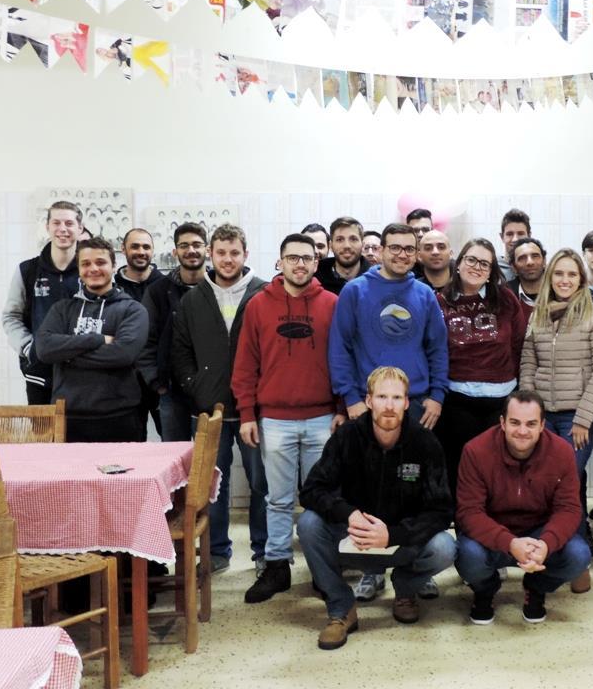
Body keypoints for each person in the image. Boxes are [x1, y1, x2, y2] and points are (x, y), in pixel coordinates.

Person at [328, 222, 449, 602]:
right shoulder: (355, 291)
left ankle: (412, 570)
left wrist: (437, 395)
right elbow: (339, 348)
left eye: (407, 249)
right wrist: (350, 398)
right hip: (369, 404)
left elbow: (438, 349)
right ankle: (371, 569)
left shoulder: (425, 295)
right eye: (393, 248)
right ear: (378, 251)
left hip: (415, 404)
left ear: (416, 252)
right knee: (368, 489)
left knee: (413, 494)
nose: (400, 254)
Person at [298, 367, 455, 649]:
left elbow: (442, 511)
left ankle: (405, 591)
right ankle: (341, 609)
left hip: (400, 545)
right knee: (308, 524)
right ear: (368, 400)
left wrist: (392, 535)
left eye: (397, 397)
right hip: (352, 541)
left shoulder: (425, 442)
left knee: (445, 547)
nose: (390, 405)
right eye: (382, 396)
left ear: (407, 403)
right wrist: (347, 513)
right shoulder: (347, 436)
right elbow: (311, 490)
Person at [233, 233, 344, 604]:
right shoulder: (258, 305)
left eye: (307, 258)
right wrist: (247, 413)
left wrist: (342, 409)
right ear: (279, 262)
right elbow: (245, 364)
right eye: (292, 257)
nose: (300, 264)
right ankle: (277, 566)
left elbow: (344, 360)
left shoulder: (332, 303)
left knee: (321, 499)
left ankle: (321, 568)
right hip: (275, 419)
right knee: (277, 499)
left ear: (316, 263)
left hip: (322, 419)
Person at [171, 224, 268, 575]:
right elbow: (179, 350)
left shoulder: (264, 294)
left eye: (235, 253)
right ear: (211, 254)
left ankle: (263, 551)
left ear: (246, 254)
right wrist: (196, 386)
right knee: (213, 486)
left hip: (254, 411)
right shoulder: (193, 298)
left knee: (262, 484)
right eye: (222, 252)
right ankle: (217, 551)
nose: (228, 260)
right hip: (209, 410)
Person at [455, 390, 590, 624]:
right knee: (467, 555)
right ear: (502, 423)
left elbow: (568, 509)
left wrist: (547, 544)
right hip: (493, 536)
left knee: (579, 555)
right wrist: (510, 543)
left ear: (542, 425)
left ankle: (536, 588)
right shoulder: (475, 451)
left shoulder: (562, 451)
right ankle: (485, 590)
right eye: (515, 422)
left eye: (531, 424)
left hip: (539, 533)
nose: (522, 431)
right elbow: (469, 512)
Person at [520, 249, 593, 564]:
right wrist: (530, 414)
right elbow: (527, 366)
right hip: (542, 416)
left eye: (572, 274)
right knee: (543, 477)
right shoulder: (539, 314)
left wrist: (584, 420)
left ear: (581, 279)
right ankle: (551, 537)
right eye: (559, 273)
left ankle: (576, 535)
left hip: (577, 416)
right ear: (550, 277)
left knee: (569, 475)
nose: (564, 280)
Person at [35, 237, 149, 442]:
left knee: (127, 476)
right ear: (78, 269)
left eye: (101, 262)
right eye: (85, 264)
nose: (93, 269)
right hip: (68, 416)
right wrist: (97, 340)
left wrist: (65, 356)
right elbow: (43, 350)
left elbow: (123, 354)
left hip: (119, 417)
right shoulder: (62, 309)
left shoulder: (133, 310)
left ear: (114, 266)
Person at [435, 239, 523, 496]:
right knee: (459, 466)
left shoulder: (505, 299)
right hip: (457, 399)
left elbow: (518, 344)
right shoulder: (440, 301)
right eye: (471, 259)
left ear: (491, 271)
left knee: (495, 468)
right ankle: (463, 522)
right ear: (459, 263)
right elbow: (436, 349)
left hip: (500, 400)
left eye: (484, 263)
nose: (477, 266)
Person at [2, 201, 84, 404]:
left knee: (80, 436)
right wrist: (29, 348)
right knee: (43, 435)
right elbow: (11, 316)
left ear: (80, 228)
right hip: (40, 374)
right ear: (47, 226)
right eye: (56, 222)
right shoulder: (27, 270)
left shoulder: (92, 270)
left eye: (69, 223)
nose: (62, 229)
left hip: (84, 374)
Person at [138, 222, 208, 443]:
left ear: (207, 249)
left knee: (209, 460)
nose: (191, 250)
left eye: (197, 244)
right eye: (184, 245)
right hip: (171, 392)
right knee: (174, 456)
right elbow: (145, 340)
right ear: (175, 251)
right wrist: (157, 383)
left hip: (210, 389)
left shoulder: (218, 288)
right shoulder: (157, 291)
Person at [114, 227, 164, 439]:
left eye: (146, 246)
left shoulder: (165, 286)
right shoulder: (112, 289)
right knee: (131, 447)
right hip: (125, 381)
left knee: (173, 444)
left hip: (160, 380)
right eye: (135, 246)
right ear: (123, 249)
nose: (141, 251)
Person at [316, 216, 370, 295]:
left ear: (362, 245)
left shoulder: (375, 279)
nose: (346, 246)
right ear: (331, 246)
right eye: (340, 240)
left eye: (353, 239)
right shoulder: (316, 277)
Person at [506, 237, 546, 332]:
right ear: (513, 267)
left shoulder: (559, 292)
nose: (530, 262)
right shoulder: (504, 297)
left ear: (544, 261)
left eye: (535, 256)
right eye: (522, 258)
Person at [498, 208, 531, 282]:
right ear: (502, 237)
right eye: (509, 234)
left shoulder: (536, 267)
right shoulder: (492, 268)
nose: (515, 239)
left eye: (520, 234)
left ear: (529, 236)